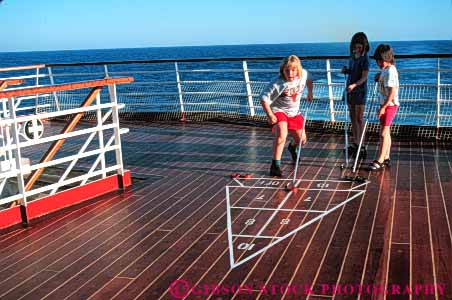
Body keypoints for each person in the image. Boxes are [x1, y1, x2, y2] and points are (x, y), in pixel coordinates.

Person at [260, 55, 313, 177]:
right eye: (287, 70)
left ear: (298, 70)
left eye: (293, 70)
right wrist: (269, 115)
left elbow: (309, 79)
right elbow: (263, 98)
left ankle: (292, 147)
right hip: (279, 110)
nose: (290, 73)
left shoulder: (304, 74)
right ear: (282, 70)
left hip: (294, 112)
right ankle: (275, 165)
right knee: (281, 135)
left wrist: (310, 92)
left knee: (302, 140)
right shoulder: (277, 83)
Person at [368, 44, 399, 171]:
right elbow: (383, 78)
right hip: (384, 104)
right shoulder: (385, 70)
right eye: (377, 60)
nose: (379, 63)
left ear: (388, 58)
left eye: (381, 60)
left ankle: (380, 160)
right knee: (386, 132)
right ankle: (386, 157)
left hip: (389, 105)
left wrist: (383, 107)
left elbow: (392, 92)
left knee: (383, 133)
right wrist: (378, 76)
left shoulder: (391, 71)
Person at [341, 32, 370, 158]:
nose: (357, 49)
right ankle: (355, 142)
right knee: (352, 117)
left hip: (359, 90)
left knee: (359, 118)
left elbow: (364, 77)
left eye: (359, 47)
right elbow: (352, 70)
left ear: (364, 46)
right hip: (350, 90)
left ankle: (362, 145)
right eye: (355, 47)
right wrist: (346, 70)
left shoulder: (365, 59)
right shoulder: (352, 56)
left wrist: (355, 85)